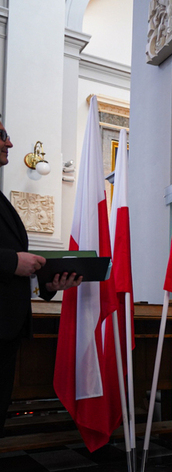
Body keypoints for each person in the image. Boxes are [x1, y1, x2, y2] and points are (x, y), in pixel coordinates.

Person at [0, 119, 82, 437]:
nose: (9, 143)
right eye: (3, 136)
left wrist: (46, 284)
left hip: (7, 331)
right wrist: (11, 261)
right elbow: (10, 263)